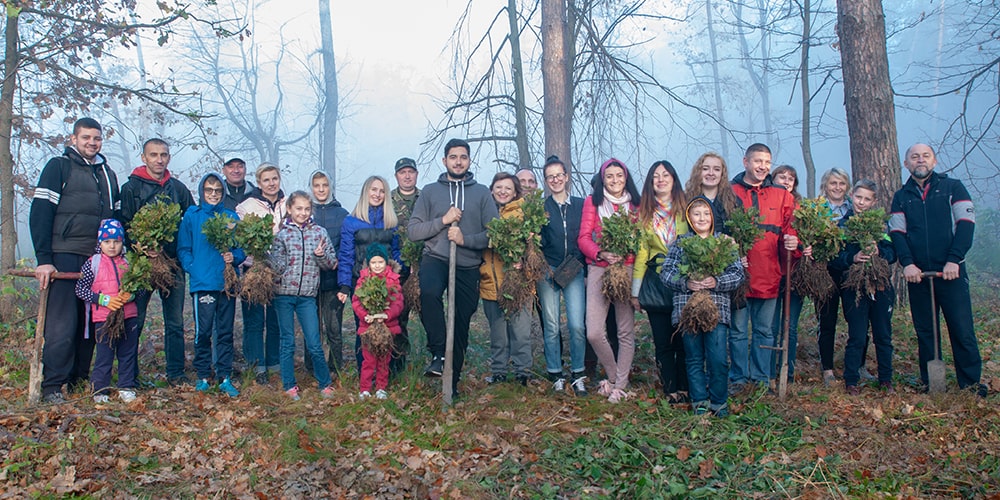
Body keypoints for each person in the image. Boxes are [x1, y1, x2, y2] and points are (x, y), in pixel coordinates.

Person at [29, 117, 120, 403]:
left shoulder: (108, 174)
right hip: (65, 253)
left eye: (96, 138)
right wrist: (44, 258)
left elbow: (115, 220)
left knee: (90, 320)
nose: (92, 143)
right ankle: (53, 385)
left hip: (97, 257)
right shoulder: (59, 167)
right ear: (74, 139)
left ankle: (79, 378)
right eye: (86, 138)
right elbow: (41, 212)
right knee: (63, 322)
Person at [890, 143, 986, 398]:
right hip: (918, 275)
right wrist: (907, 263)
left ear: (934, 161)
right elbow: (897, 233)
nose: (920, 160)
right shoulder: (901, 196)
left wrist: (954, 260)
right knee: (926, 331)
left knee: (962, 329)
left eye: (925, 156)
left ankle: (971, 384)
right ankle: (932, 383)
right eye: (914, 157)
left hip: (951, 273)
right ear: (906, 164)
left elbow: (966, 225)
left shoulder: (953, 188)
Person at [408, 138, 498, 395]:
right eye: (453, 157)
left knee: (460, 322)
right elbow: (414, 231)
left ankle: (453, 382)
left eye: (463, 157)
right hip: (436, 257)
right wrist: (443, 221)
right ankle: (438, 352)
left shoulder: (481, 192)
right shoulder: (429, 191)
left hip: (468, 264)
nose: (458, 161)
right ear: (444, 160)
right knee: (429, 293)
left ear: (469, 161)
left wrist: (465, 240)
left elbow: (494, 234)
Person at [120, 138, 195, 386]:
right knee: (136, 319)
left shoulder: (179, 189)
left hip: (171, 265)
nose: (159, 159)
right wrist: (141, 246)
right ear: (144, 158)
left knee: (174, 322)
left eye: (163, 155)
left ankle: (176, 373)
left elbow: (190, 221)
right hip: (141, 266)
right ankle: (129, 374)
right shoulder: (131, 188)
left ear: (169, 158)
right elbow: (124, 224)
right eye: (154, 155)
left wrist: (183, 253)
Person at [662, 197, 744, 417]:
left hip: (716, 309)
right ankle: (700, 403)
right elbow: (667, 273)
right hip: (688, 309)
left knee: (717, 358)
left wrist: (716, 281)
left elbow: (737, 274)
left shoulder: (724, 243)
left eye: (706, 214)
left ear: (713, 217)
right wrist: (686, 283)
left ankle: (719, 402)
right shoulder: (680, 243)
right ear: (689, 217)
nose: (702, 218)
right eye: (696, 214)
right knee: (694, 357)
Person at [729, 143, 799, 390]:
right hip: (738, 275)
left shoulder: (782, 195)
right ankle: (738, 378)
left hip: (770, 273)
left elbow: (792, 226)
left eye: (767, 162)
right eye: (758, 161)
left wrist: (795, 241)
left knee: (764, 330)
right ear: (745, 161)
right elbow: (720, 230)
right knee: (737, 331)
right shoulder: (731, 192)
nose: (763, 167)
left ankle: (759, 378)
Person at [177, 173, 246, 397]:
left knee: (225, 332)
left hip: (226, 283)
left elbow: (241, 249)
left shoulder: (230, 216)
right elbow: (183, 249)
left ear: (223, 192)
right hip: (203, 284)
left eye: (217, 190)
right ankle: (203, 375)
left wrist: (233, 258)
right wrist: (194, 268)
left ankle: (225, 376)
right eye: (209, 190)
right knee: (203, 332)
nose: (213, 194)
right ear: (202, 192)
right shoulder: (192, 216)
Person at [578, 158, 641, 403]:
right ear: (602, 179)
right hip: (599, 268)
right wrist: (600, 253)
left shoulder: (635, 205)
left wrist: (627, 255)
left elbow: (640, 239)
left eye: (619, 176)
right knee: (594, 331)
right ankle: (615, 377)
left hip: (625, 269)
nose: (614, 180)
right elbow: (583, 238)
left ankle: (619, 385)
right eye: (609, 176)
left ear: (626, 178)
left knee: (625, 330)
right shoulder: (592, 203)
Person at [270, 191, 337, 400]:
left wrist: (321, 255)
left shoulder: (319, 233)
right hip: (283, 295)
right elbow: (276, 267)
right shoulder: (282, 234)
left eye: (307, 209)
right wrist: (267, 255)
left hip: (307, 296)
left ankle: (324, 383)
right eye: (299, 209)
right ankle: (289, 385)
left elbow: (331, 263)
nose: (303, 213)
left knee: (314, 342)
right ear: (290, 209)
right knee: (287, 340)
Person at [631, 160, 688, 402]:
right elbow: (642, 253)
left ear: (674, 179)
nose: (661, 179)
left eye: (666, 175)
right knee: (663, 340)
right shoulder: (645, 214)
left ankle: (686, 387)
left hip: (684, 281)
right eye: (656, 176)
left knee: (684, 339)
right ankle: (670, 389)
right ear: (650, 183)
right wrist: (635, 292)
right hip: (657, 282)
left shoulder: (686, 210)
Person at [832, 180, 896, 395]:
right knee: (857, 335)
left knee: (883, 334)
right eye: (858, 197)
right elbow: (834, 257)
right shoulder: (843, 225)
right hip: (854, 286)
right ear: (852, 196)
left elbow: (893, 253)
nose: (862, 202)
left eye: (867, 199)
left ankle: (886, 379)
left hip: (880, 285)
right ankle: (851, 380)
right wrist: (853, 257)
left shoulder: (881, 225)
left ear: (874, 201)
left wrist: (879, 252)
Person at [337, 175, 401, 372]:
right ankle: (364, 376)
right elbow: (346, 255)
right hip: (362, 283)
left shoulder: (391, 221)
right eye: (374, 190)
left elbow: (396, 252)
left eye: (382, 191)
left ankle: (385, 374)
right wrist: (345, 285)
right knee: (364, 329)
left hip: (386, 284)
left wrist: (401, 274)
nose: (378, 194)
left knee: (387, 327)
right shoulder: (351, 221)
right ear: (366, 192)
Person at [537, 156, 588, 396]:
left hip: (574, 269)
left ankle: (578, 373)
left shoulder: (581, 204)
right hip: (548, 270)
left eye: (559, 175)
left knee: (577, 325)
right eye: (550, 176)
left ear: (567, 176)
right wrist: (546, 266)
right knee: (552, 325)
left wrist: (574, 265)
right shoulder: (541, 209)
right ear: (546, 181)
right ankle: (556, 373)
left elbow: (587, 236)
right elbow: (538, 242)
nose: (556, 180)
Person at [74, 219, 139, 403]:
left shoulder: (129, 262)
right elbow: (81, 289)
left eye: (116, 242)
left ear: (122, 242)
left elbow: (142, 287)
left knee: (127, 353)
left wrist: (131, 295)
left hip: (128, 315)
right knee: (105, 354)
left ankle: (126, 386)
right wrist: (104, 300)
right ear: (100, 242)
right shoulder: (92, 264)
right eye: (107, 242)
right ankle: (100, 389)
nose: (112, 246)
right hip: (104, 317)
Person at [235, 163, 287, 385]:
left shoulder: (288, 204)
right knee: (255, 320)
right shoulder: (246, 206)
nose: (271, 183)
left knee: (276, 318)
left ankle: (274, 362)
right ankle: (256, 364)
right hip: (254, 268)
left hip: (279, 270)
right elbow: (241, 238)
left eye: (274, 178)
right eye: (266, 180)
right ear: (258, 183)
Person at [482, 172, 533, 386]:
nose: (503, 191)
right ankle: (499, 371)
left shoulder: (523, 214)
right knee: (498, 334)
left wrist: (522, 261)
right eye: (499, 187)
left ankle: (523, 372)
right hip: (490, 283)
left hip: (518, 283)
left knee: (520, 332)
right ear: (492, 189)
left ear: (515, 192)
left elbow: (534, 248)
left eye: (508, 188)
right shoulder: (484, 213)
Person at [304, 170, 349, 379]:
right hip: (308, 279)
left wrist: (339, 266)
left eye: (324, 185)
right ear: (311, 188)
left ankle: (335, 367)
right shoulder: (304, 212)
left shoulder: (341, 214)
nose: (321, 190)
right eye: (316, 185)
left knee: (333, 327)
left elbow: (346, 245)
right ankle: (311, 367)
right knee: (312, 327)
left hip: (333, 279)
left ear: (330, 187)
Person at [816, 167, 856, 385]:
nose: (837, 188)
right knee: (827, 320)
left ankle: (856, 365)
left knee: (856, 319)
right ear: (826, 185)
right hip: (826, 272)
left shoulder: (854, 208)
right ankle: (827, 369)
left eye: (841, 183)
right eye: (833, 183)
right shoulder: (818, 210)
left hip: (851, 271)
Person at [353, 244, 404, 399]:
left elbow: (398, 303)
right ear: (368, 263)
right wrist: (365, 315)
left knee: (384, 358)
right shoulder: (363, 280)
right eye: (374, 263)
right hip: (368, 328)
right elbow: (356, 301)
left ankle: (381, 387)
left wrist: (386, 315)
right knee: (368, 359)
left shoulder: (393, 280)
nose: (377, 266)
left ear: (386, 262)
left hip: (386, 327)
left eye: (380, 262)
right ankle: (365, 388)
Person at [769, 165, 804, 383]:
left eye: (791, 178)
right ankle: (769, 370)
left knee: (789, 326)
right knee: (771, 326)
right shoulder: (767, 204)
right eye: (782, 176)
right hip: (772, 272)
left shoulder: (801, 209)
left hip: (795, 274)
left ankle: (787, 371)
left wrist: (802, 245)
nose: (786, 180)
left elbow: (811, 239)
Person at [390, 157, 421, 375]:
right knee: (397, 315)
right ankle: (397, 362)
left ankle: (436, 359)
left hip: (423, 266)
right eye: (403, 172)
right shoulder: (388, 200)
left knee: (429, 313)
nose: (407, 176)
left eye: (411, 172)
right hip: (397, 268)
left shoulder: (425, 198)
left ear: (416, 174)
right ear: (396, 176)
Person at [684, 152, 740, 232]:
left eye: (716, 169)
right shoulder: (685, 201)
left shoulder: (734, 201)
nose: (711, 173)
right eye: (705, 169)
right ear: (698, 172)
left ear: (722, 174)